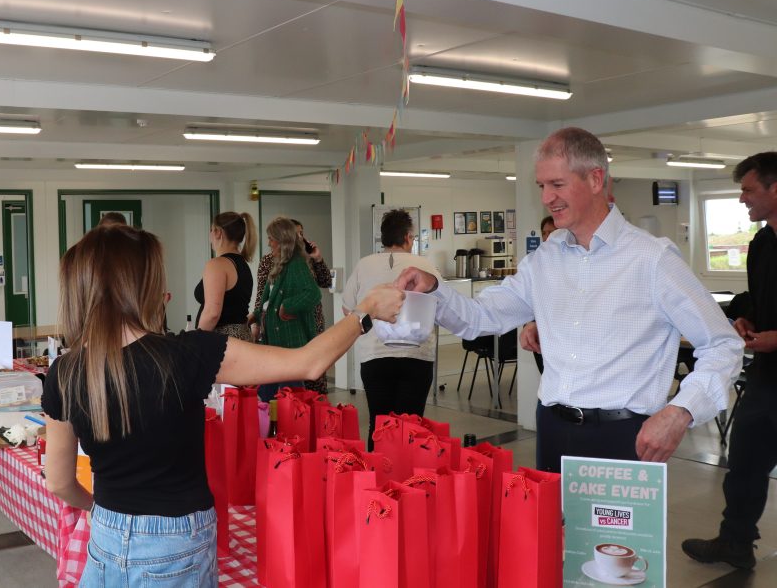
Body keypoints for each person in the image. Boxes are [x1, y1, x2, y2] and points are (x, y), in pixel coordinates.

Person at [42, 225, 403, 587]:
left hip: (106, 535)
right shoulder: (186, 354)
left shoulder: (64, 371)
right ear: (142, 286)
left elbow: (59, 482)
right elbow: (309, 362)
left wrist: (97, 509)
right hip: (174, 541)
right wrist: (365, 311)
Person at [395, 127, 742, 473]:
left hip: (625, 436)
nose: (547, 198)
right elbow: (480, 317)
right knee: (551, 514)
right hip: (553, 430)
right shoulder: (545, 260)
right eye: (541, 186)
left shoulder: (652, 259)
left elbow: (723, 344)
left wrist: (680, 411)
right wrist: (434, 288)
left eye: (557, 184)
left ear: (595, 179)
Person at [682, 152, 777, 570]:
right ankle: (735, 542)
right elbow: (761, 297)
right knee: (744, 463)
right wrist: (746, 318)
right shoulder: (761, 243)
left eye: (748, 190)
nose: (742, 199)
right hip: (767, 377)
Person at [342, 209, 440, 449]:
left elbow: (348, 309)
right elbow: (440, 308)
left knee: (379, 424)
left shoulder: (363, 265)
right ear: (407, 237)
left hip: (375, 355)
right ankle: (408, 472)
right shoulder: (424, 265)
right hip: (417, 356)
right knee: (411, 426)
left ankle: (377, 471)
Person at [253, 218, 332, 393]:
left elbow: (318, 289)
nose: (269, 243)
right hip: (279, 335)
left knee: (297, 389)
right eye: (297, 234)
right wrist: (256, 316)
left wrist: (287, 306)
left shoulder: (299, 260)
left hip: (299, 331)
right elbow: (265, 297)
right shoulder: (274, 260)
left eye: (302, 233)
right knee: (274, 391)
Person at [194, 212, 256, 341]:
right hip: (241, 339)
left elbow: (212, 314)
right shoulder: (242, 264)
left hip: (222, 342)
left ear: (218, 233)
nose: (210, 235)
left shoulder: (217, 265)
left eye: (211, 230)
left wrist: (195, 340)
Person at [520, 215, 558, 374]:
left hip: (559, 333)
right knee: (546, 375)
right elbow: (529, 299)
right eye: (544, 233)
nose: (547, 237)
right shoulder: (535, 262)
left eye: (552, 232)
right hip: (538, 331)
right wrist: (531, 323)